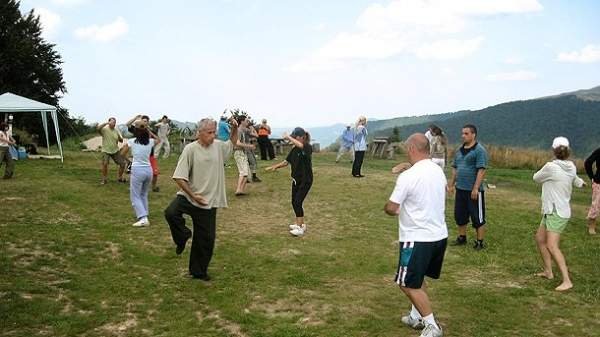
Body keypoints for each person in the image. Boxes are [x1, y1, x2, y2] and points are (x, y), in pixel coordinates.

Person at [384, 133, 447, 337]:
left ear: (412, 148)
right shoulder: (437, 171)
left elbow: (391, 207)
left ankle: (432, 325)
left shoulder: (408, 176)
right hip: (438, 235)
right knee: (417, 278)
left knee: (405, 282)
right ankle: (416, 316)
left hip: (417, 237)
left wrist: (392, 209)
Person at [164, 117, 238, 281]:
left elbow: (232, 144)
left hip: (208, 201)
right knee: (171, 213)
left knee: (205, 239)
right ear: (200, 133)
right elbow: (179, 177)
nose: (213, 136)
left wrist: (234, 129)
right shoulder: (190, 149)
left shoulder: (218, 146)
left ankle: (198, 272)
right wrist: (193, 195)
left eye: (214, 132)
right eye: (209, 132)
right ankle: (182, 236)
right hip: (190, 196)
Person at [533, 137, 585, 291]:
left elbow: (535, 178)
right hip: (552, 210)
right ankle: (548, 271)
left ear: (553, 151)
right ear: (568, 151)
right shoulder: (571, 166)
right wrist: (581, 183)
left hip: (557, 211)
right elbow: (574, 178)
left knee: (552, 245)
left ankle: (567, 280)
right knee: (540, 238)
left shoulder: (551, 166)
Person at [266, 127, 313, 237]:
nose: (292, 139)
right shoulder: (294, 149)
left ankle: (300, 228)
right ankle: (299, 224)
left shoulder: (307, 147)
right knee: (294, 202)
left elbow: (301, 145)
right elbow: (286, 162)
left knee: (297, 202)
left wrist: (287, 137)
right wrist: (274, 167)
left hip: (305, 180)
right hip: (296, 180)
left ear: (302, 137)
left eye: (294, 137)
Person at [447, 124, 488, 250]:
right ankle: (462, 237)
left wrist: (476, 188)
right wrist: (452, 184)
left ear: (473, 134)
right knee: (460, 215)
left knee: (477, 216)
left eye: (466, 133)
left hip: (473, 190)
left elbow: (481, 170)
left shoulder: (479, 150)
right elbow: (455, 168)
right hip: (461, 189)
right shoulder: (459, 150)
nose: (463, 136)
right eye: (462, 133)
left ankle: (479, 241)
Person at [120, 121, 159, 227]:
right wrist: (148, 130)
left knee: (135, 195)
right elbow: (158, 140)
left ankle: (143, 218)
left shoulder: (132, 141)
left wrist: (129, 160)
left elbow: (122, 153)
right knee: (143, 194)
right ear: (146, 131)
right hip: (148, 170)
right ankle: (144, 213)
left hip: (137, 169)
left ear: (136, 131)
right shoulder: (150, 142)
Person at [97, 117, 127, 185]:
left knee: (123, 164)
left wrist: (120, 138)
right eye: (112, 122)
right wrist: (106, 123)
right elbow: (98, 128)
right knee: (105, 164)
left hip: (115, 150)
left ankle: (119, 178)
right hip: (106, 150)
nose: (114, 124)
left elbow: (121, 140)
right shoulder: (104, 129)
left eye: (114, 122)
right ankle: (104, 179)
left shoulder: (116, 130)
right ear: (109, 122)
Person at [233, 115, 256, 195]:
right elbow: (237, 143)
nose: (247, 122)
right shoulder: (239, 131)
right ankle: (238, 190)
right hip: (239, 152)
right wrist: (249, 146)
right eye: (246, 120)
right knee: (243, 172)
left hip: (243, 153)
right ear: (242, 121)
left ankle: (241, 190)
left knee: (247, 175)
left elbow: (255, 135)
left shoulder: (243, 130)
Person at [584, 147, 600, 235]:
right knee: (596, 205)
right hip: (599, 183)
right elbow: (588, 163)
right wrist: (592, 177)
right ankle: (591, 227)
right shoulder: (599, 151)